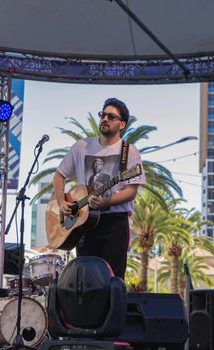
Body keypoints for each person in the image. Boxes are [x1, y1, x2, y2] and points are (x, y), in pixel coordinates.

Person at [53, 97, 146, 279]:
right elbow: (59, 175)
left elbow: (131, 191)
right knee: (86, 279)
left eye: (111, 117)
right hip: (84, 224)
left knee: (112, 280)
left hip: (114, 224)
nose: (105, 119)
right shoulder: (82, 146)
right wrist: (61, 200)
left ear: (122, 124)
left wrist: (106, 202)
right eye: (103, 114)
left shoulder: (130, 152)